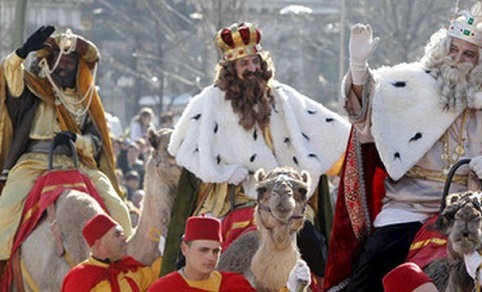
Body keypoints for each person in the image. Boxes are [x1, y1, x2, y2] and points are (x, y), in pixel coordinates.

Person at [324, 2, 482, 291]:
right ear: (442, 50)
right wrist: (358, 70)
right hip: (407, 204)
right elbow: (363, 117)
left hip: (468, 207)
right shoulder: (409, 87)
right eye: (454, 50)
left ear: (481, 63)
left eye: (468, 54)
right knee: (374, 265)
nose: (458, 59)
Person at [165, 22, 351, 282]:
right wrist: (224, 172)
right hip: (233, 195)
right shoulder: (210, 101)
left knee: (315, 245)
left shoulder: (284, 97)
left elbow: (335, 132)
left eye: (255, 62)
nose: (251, 68)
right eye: (244, 64)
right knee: (195, 249)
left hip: (287, 198)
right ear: (231, 69)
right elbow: (181, 148)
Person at [0, 26, 132, 267]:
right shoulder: (32, 88)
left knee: (119, 208)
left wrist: (75, 139)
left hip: (77, 163)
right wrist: (21, 52)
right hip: (34, 162)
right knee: (5, 210)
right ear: (48, 62)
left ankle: (127, 266)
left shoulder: (86, 98)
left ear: (78, 66)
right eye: (59, 60)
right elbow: (9, 77)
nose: (64, 66)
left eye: (70, 62)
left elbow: (96, 143)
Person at [149, 215, 311, 291]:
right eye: (203, 250)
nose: (211, 257)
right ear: (185, 249)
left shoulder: (235, 284)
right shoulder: (163, 289)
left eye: (216, 251)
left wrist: (293, 289)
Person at [61, 213, 157, 291]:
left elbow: (157, 275)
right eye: (117, 234)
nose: (124, 237)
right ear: (100, 244)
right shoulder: (79, 279)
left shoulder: (129, 269)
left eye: (122, 233)